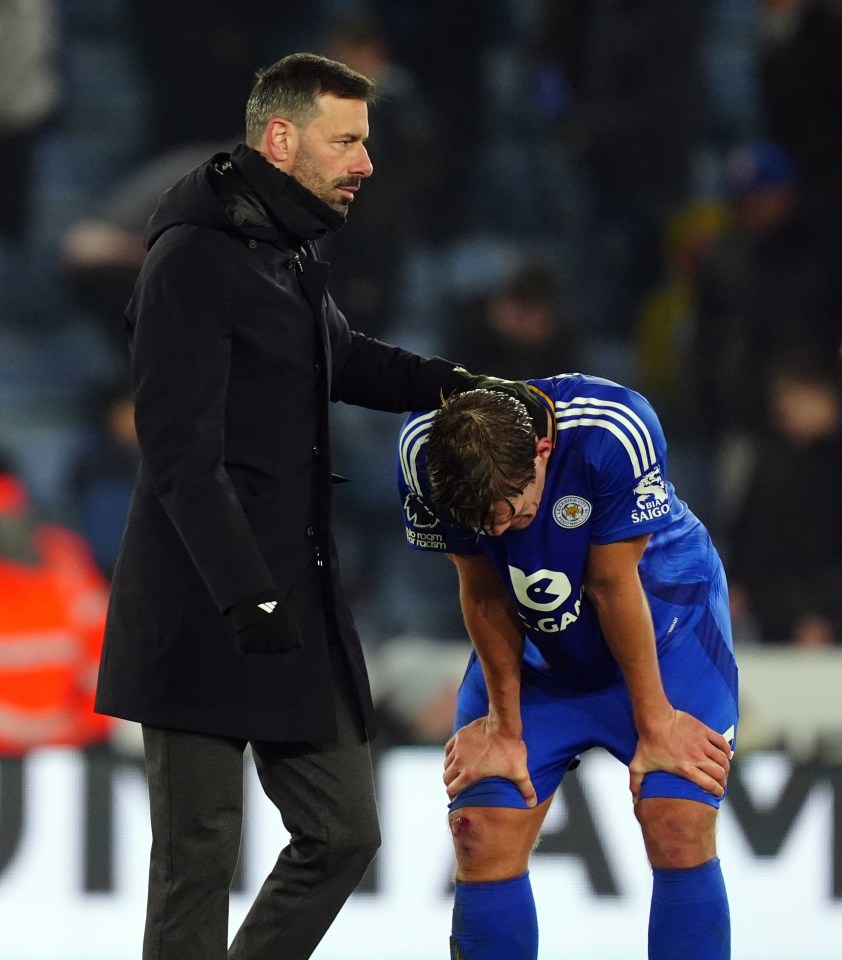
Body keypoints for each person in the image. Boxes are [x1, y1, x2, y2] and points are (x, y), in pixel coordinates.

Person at [93, 52, 541, 960]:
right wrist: (244, 596)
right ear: (283, 137)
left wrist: (461, 385)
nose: (365, 161)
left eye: (365, 141)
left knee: (343, 832)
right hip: (202, 603)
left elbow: (349, 358)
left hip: (289, 595)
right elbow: (180, 458)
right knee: (198, 852)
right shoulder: (189, 259)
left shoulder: (283, 250)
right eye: (347, 141)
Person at [397, 376, 738, 959]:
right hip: (534, 645)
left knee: (676, 820)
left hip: (665, 628)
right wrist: (503, 728)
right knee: (480, 829)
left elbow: (611, 583)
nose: (498, 531)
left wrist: (657, 723)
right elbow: (481, 588)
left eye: (508, 512)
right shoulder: (422, 449)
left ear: (542, 452)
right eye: (484, 523)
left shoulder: (614, 428)